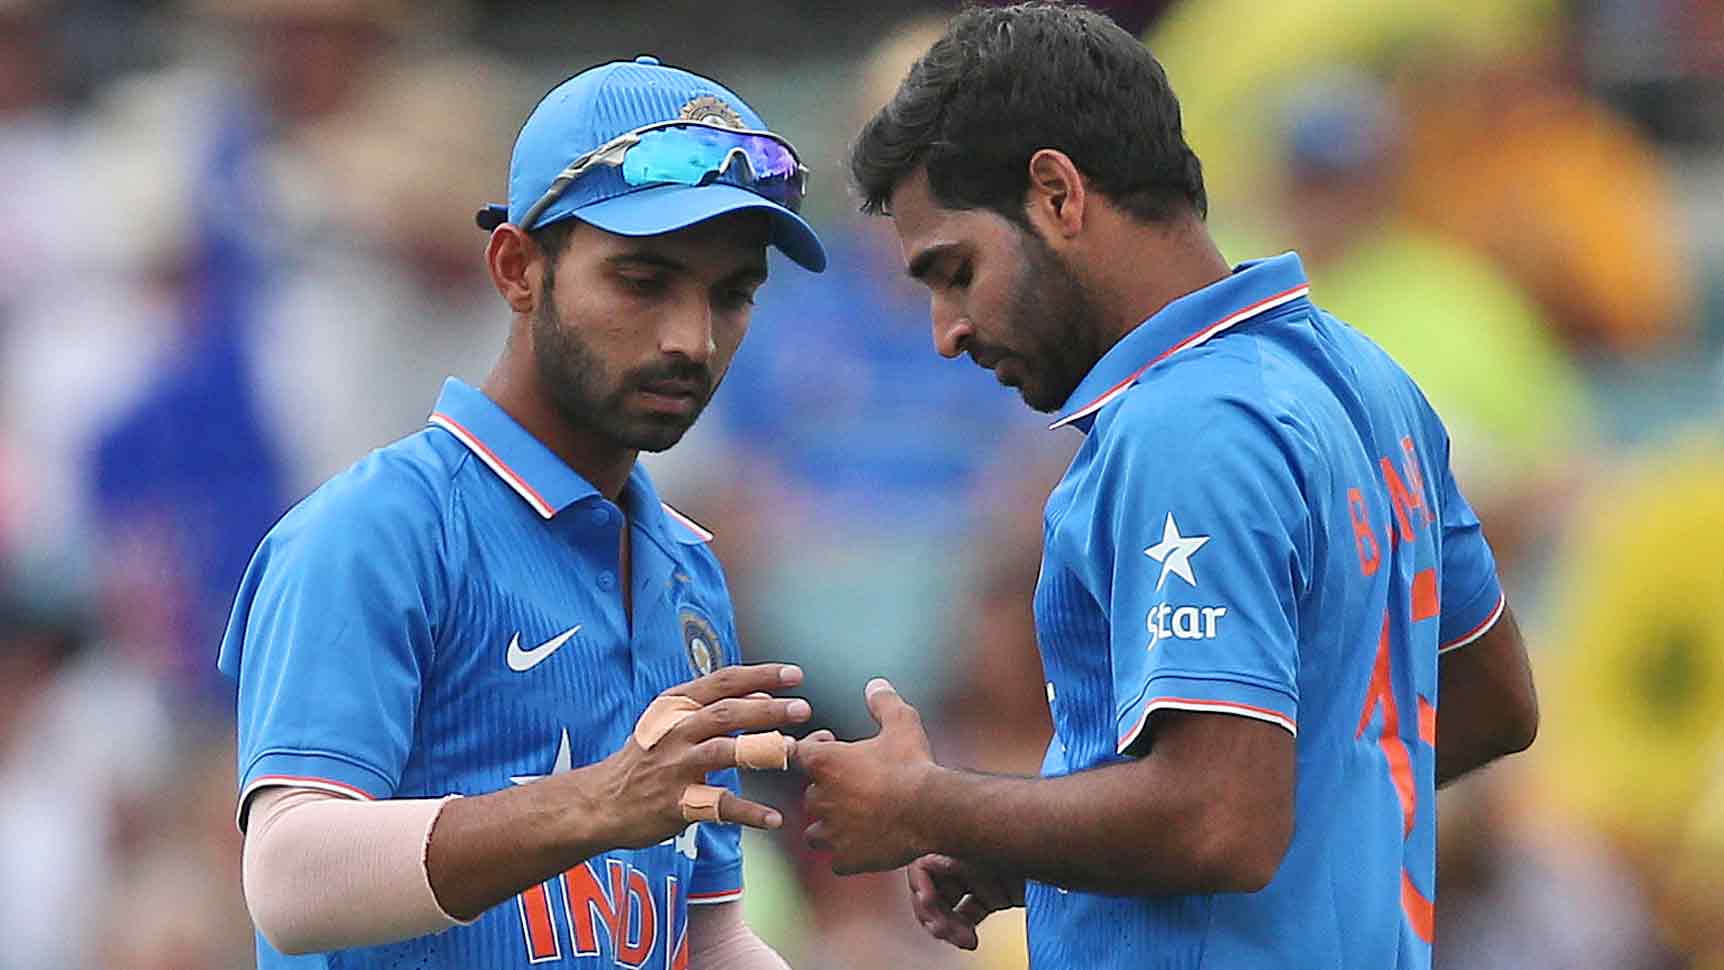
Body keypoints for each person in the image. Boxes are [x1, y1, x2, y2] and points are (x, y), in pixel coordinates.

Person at [793, 5, 1539, 968]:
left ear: (1058, 194)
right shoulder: (1365, 380)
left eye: (956, 271)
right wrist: (1056, 842)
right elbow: (1490, 700)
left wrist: (925, 802)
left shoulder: (1182, 423)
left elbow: (1221, 819)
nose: (947, 331)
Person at [217, 56, 827, 968]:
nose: (691, 339)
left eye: (731, 294)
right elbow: (289, 878)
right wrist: (598, 800)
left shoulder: (687, 570)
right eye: (642, 279)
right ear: (517, 267)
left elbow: (707, 936)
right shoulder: (378, 530)